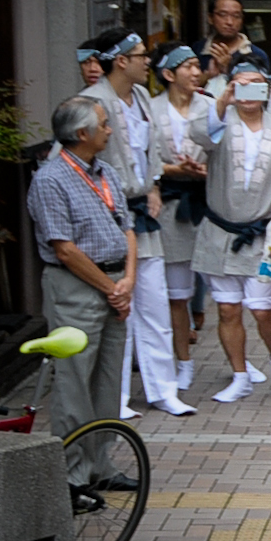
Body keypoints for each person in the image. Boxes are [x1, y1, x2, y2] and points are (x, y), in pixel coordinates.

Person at [30, 97, 139, 487]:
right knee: (74, 382)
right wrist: (114, 289)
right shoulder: (50, 179)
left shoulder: (105, 171)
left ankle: (101, 466)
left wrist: (128, 280)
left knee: (108, 381)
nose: (109, 130)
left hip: (114, 283)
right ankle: (72, 475)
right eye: (104, 124)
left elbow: (128, 228)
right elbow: (65, 249)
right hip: (76, 286)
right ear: (82, 133)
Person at [79, 30, 185, 417]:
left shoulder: (141, 96)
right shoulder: (90, 102)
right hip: (108, 215)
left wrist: (154, 185)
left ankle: (164, 390)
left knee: (155, 303)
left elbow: (151, 152)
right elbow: (74, 159)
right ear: (121, 60)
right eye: (141, 55)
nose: (147, 61)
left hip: (143, 213)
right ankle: (116, 396)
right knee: (118, 306)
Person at [198, 61, 271, 405]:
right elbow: (199, 138)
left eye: (255, 83)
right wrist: (221, 103)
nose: (248, 91)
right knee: (227, 309)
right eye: (241, 84)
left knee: (263, 308)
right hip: (220, 230)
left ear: (267, 88)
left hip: (263, 233)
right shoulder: (218, 124)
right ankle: (239, 375)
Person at [152, 46, 215, 396]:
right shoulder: (151, 108)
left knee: (230, 293)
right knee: (177, 294)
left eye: (196, 66)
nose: (195, 72)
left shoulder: (211, 106)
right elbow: (144, 159)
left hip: (209, 200)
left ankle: (240, 362)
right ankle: (184, 361)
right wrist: (174, 170)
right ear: (168, 74)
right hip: (172, 202)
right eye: (187, 66)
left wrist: (207, 169)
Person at [196, 0, 269, 77]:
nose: (230, 22)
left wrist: (227, 69)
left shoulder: (256, 54)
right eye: (223, 15)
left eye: (236, 16)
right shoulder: (198, 49)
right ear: (210, 18)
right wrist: (208, 76)